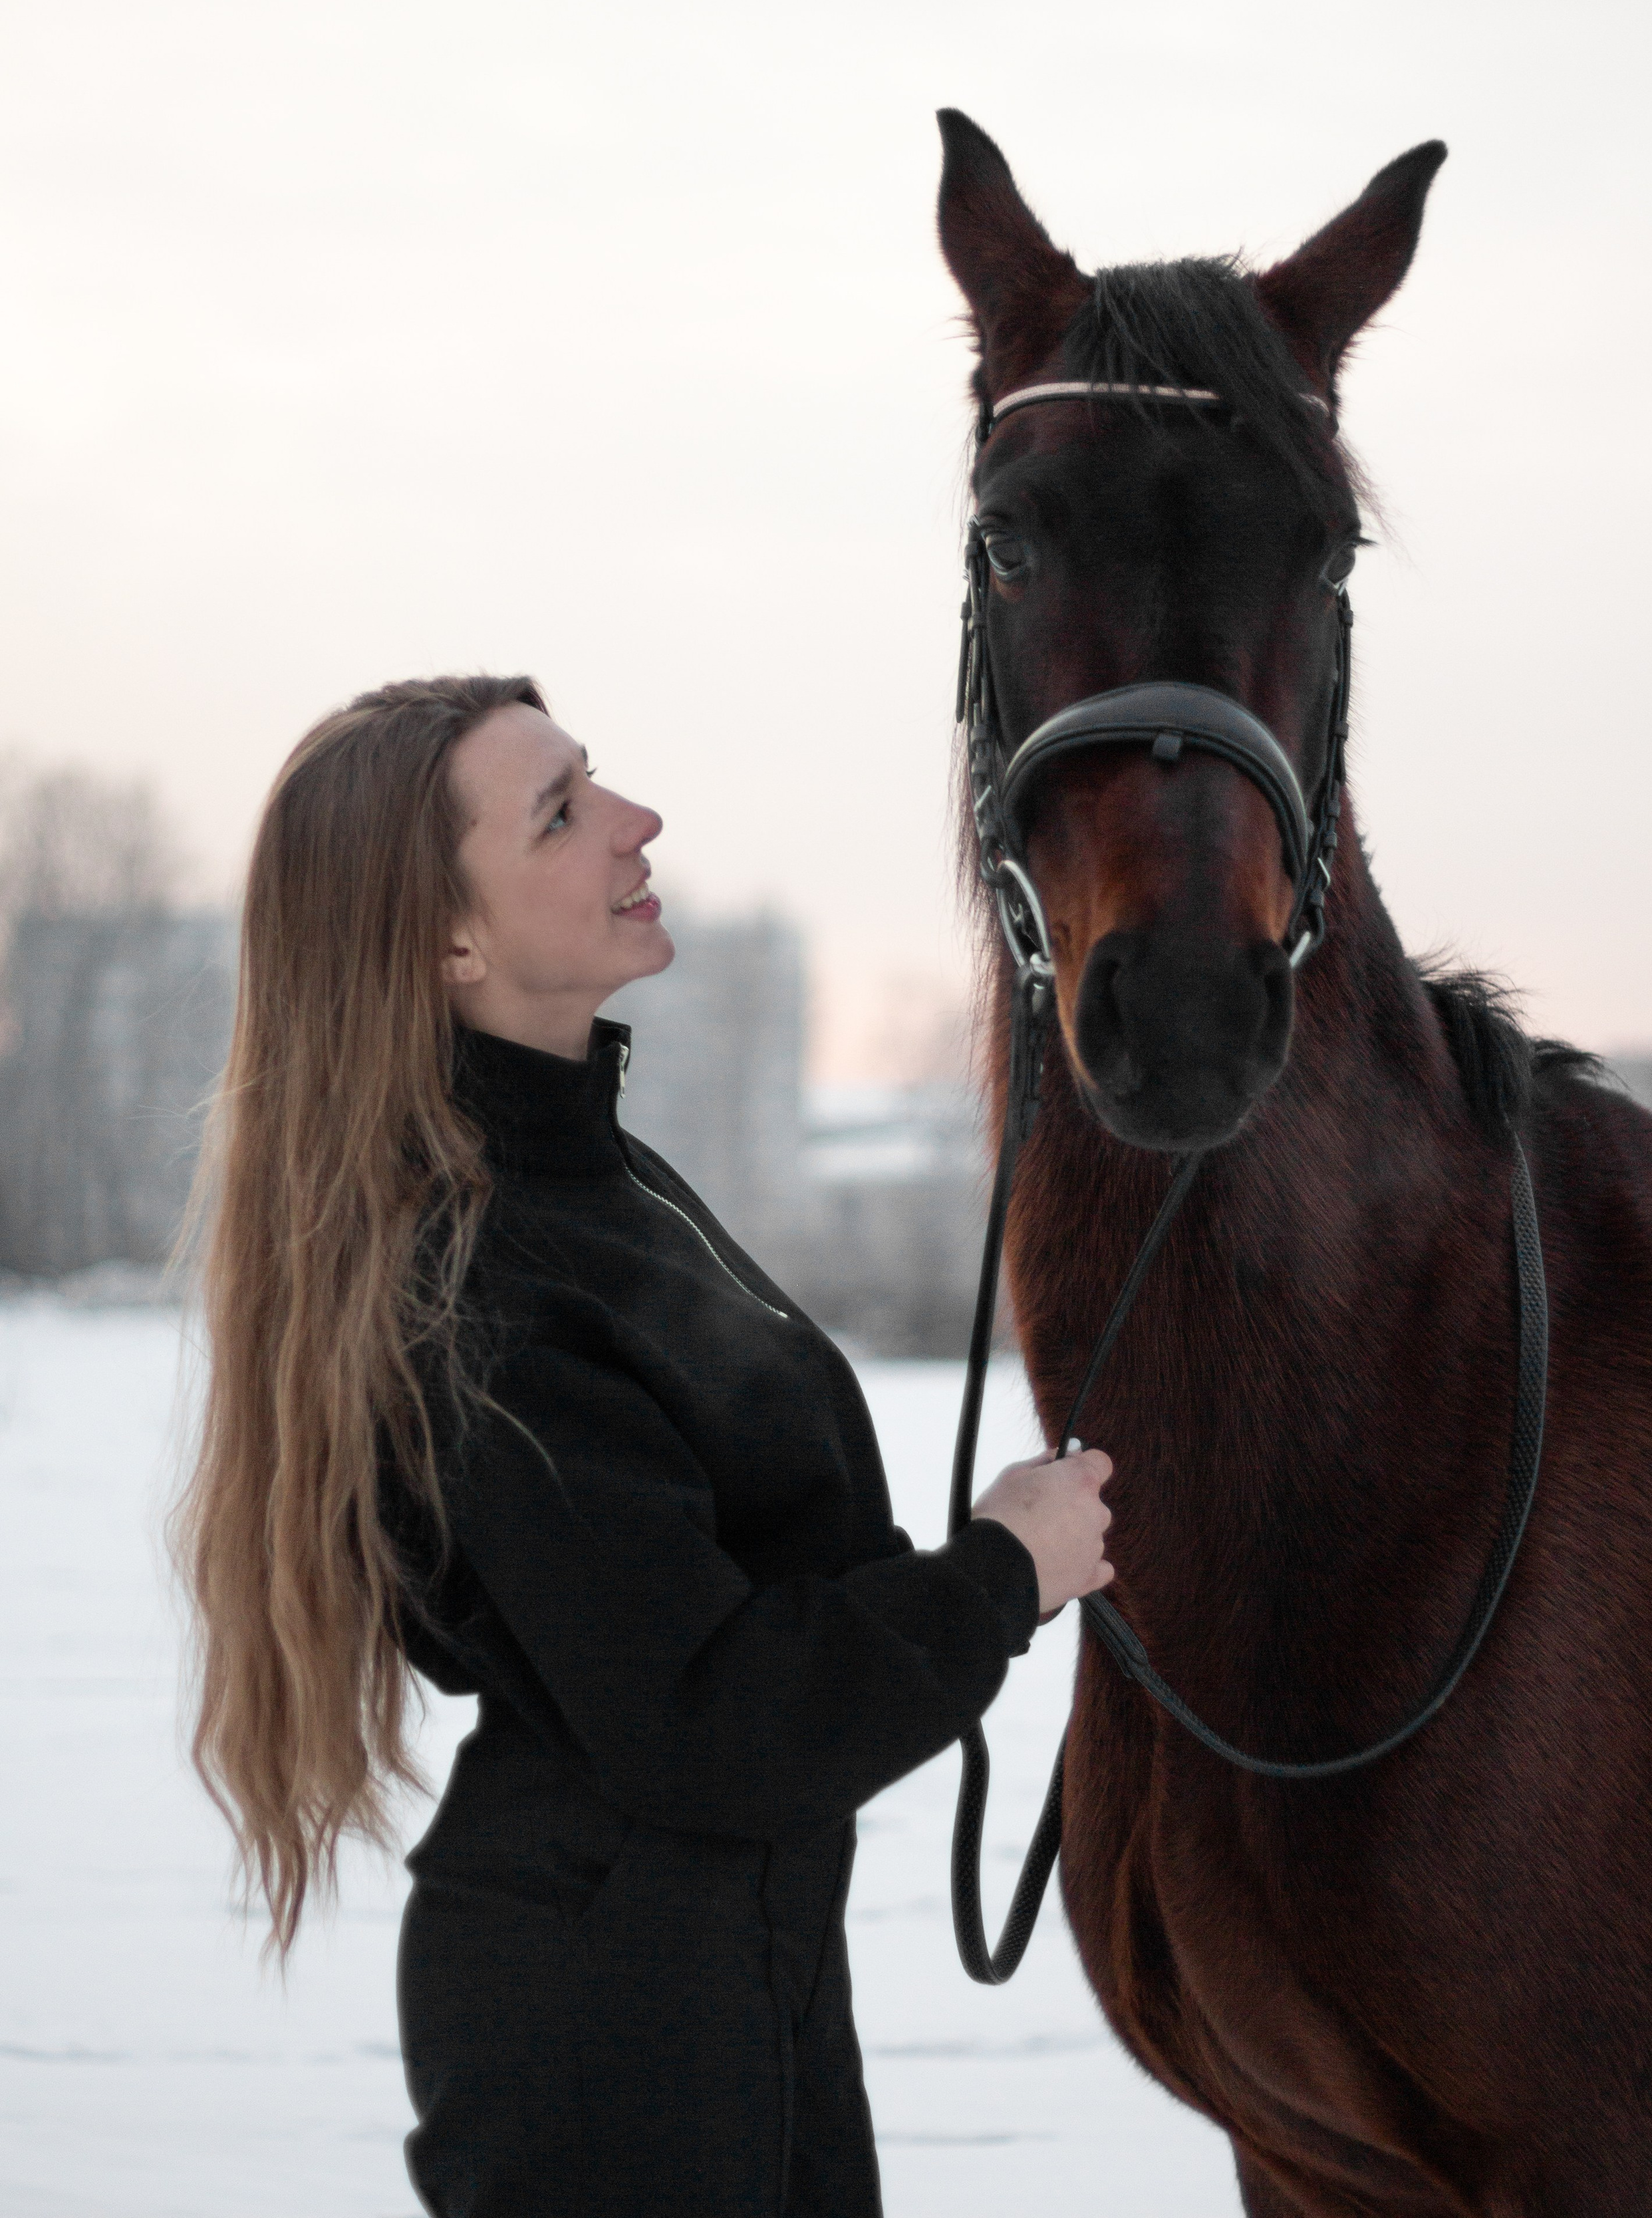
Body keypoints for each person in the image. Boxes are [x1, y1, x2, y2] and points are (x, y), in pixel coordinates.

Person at [178, 673, 1115, 2218]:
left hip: (723, 1964)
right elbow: (708, 1712)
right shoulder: (481, 1280)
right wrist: (998, 1576)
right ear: (448, 941)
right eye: (559, 812)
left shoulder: (584, 1175)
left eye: (593, 779)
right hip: (612, 2019)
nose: (635, 821)